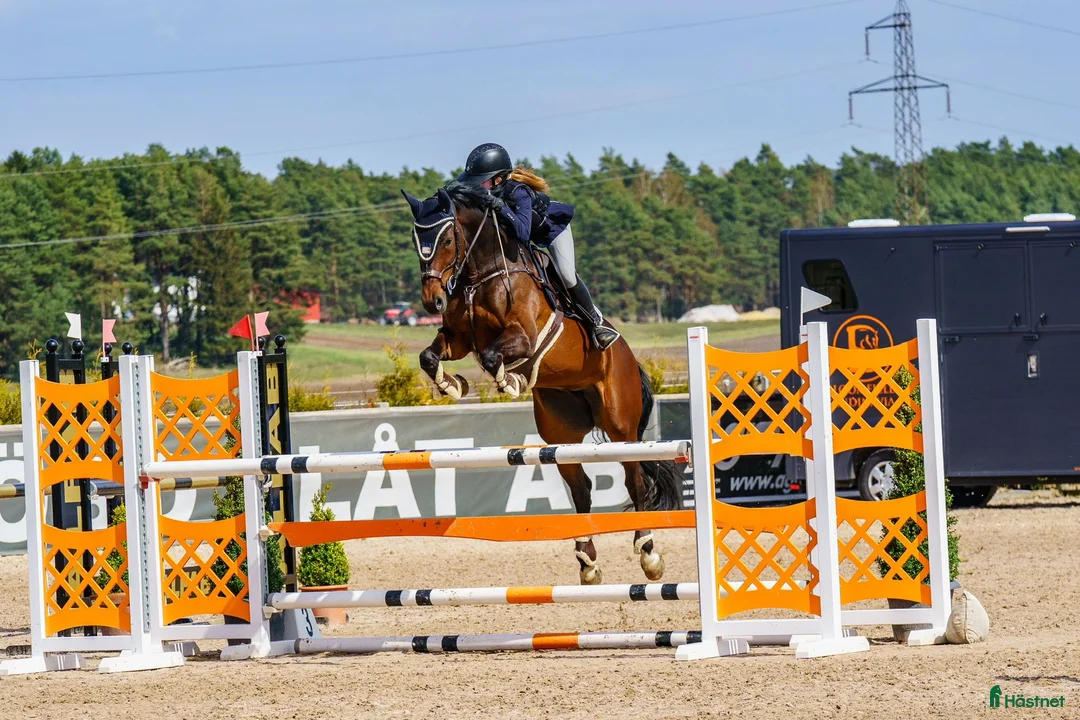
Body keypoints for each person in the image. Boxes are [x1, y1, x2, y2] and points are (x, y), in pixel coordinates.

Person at [455, 142, 621, 351]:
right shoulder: (488, 192)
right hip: (524, 239)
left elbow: (523, 232)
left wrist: (501, 206)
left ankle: (596, 323)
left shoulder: (518, 192)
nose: (477, 187)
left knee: (567, 275)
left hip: (551, 232)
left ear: (498, 180)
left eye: (481, 182)